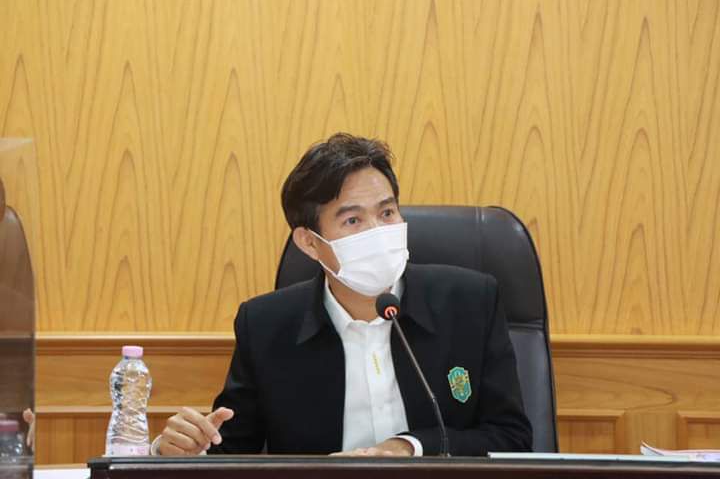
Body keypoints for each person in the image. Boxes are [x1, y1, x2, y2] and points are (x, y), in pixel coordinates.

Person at [154, 133, 532, 456]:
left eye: (387, 213)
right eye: (353, 220)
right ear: (309, 243)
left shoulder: (470, 302)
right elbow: (230, 451)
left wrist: (409, 447)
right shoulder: (266, 326)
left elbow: (511, 439)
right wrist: (177, 449)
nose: (377, 231)